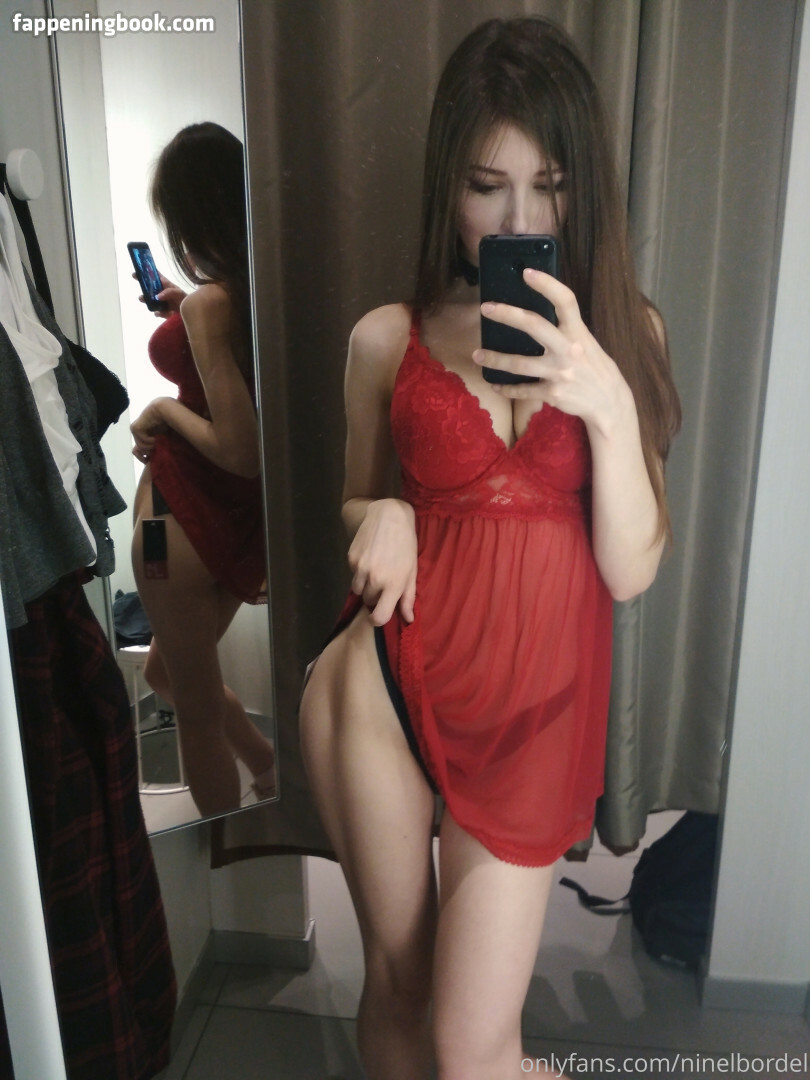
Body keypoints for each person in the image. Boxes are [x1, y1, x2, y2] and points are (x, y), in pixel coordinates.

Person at [300, 17, 681, 1080]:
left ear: (583, 189)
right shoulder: (389, 336)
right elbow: (351, 502)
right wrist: (381, 513)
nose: (517, 220)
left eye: (548, 186)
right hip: (386, 683)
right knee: (399, 986)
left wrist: (606, 401)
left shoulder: (628, 336)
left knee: (473, 1052)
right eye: (486, 186)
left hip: (531, 714)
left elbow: (632, 568)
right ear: (448, 186)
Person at [130, 122, 275, 817]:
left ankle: (222, 846)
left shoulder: (211, 303)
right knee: (166, 671)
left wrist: (162, 408)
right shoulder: (250, 290)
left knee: (190, 706)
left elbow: (240, 447)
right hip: (226, 523)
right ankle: (264, 762)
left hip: (177, 521)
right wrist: (179, 311)